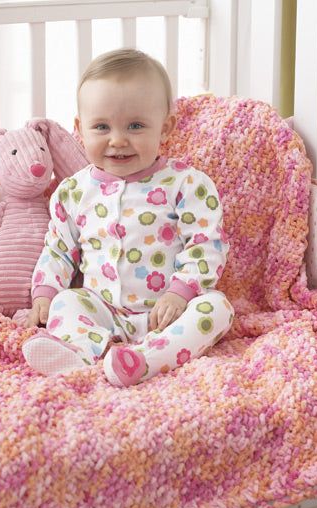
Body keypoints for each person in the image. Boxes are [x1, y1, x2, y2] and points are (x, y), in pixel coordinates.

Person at [22, 48, 234, 386]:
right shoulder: (74, 191)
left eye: (135, 126)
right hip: (101, 309)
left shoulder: (187, 184)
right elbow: (59, 249)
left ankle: (146, 360)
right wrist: (44, 296)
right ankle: (87, 354)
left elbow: (206, 244)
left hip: (166, 312)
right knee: (66, 303)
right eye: (101, 126)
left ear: (166, 129)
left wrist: (180, 292)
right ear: (81, 129)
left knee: (217, 309)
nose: (117, 140)